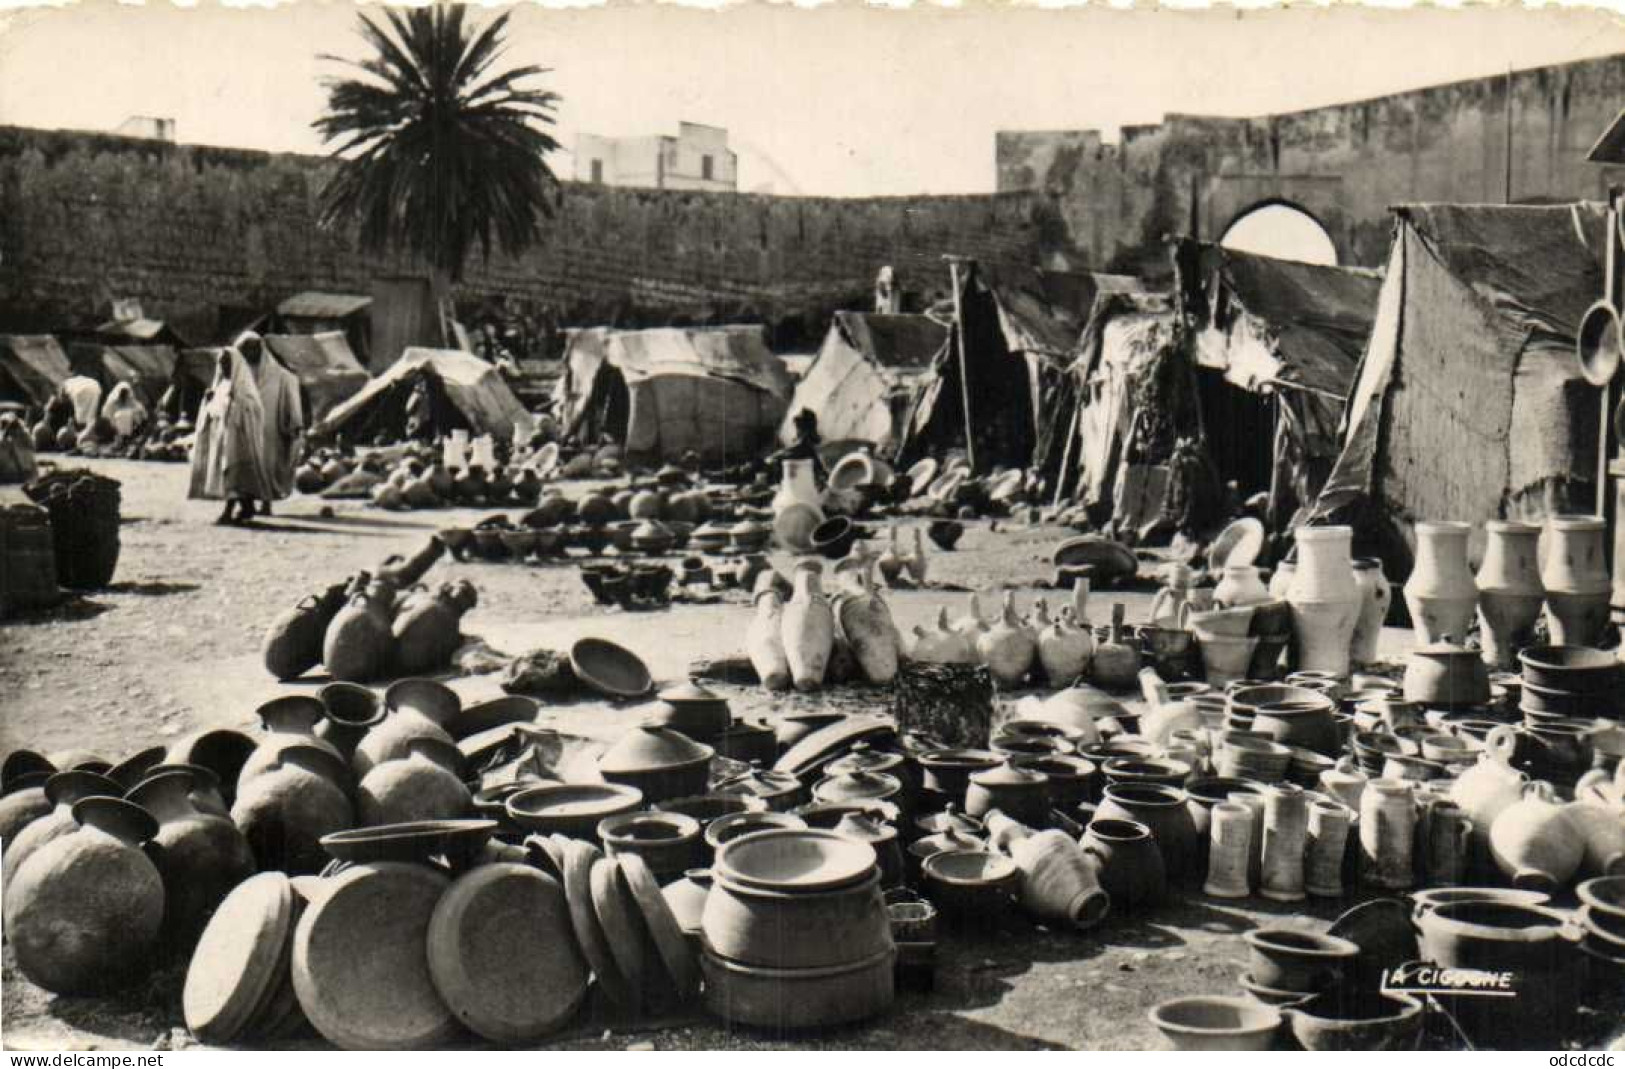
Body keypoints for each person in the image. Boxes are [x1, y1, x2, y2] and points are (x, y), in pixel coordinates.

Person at [188, 346, 274, 525]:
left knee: (234, 475)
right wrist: (209, 400)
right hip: (222, 437)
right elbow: (215, 410)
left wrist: (236, 404)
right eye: (221, 363)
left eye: (226, 363)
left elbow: (254, 408)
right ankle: (246, 508)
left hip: (239, 439)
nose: (223, 367)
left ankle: (229, 512)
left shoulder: (243, 385)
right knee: (231, 476)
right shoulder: (221, 385)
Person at [238, 332, 304, 516]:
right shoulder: (238, 374)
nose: (250, 352)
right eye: (246, 348)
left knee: (267, 465)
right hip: (244, 426)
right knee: (246, 465)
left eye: (254, 348)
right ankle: (247, 503)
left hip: (270, 428)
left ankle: (266, 504)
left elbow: (290, 399)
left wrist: (294, 422)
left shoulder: (279, 375)